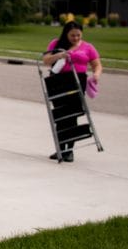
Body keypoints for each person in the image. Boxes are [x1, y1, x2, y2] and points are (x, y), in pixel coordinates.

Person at [41, 20, 102, 162]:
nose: (75, 38)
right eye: (72, 35)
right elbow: (46, 60)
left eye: (78, 35)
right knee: (60, 115)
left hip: (76, 81)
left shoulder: (88, 47)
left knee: (73, 115)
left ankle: (70, 150)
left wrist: (96, 75)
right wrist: (60, 55)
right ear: (66, 34)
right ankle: (61, 148)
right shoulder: (57, 44)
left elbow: (97, 65)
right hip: (58, 82)